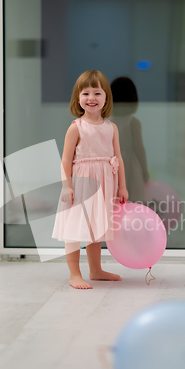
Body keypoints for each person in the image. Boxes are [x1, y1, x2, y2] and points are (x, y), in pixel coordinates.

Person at [52, 70, 129, 290]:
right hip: (82, 184)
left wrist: (122, 186)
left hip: (104, 184)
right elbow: (66, 160)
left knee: (96, 229)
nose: (91, 98)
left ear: (106, 98)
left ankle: (96, 270)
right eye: (86, 93)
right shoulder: (76, 128)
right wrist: (66, 185)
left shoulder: (111, 128)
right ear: (78, 98)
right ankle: (74, 274)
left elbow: (119, 159)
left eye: (97, 93)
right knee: (75, 229)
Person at [110, 77, 149, 203]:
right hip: (130, 165)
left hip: (112, 164)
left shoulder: (107, 122)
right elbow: (139, 148)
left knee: (114, 199)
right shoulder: (133, 122)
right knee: (134, 197)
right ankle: (133, 221)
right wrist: (144, 170)